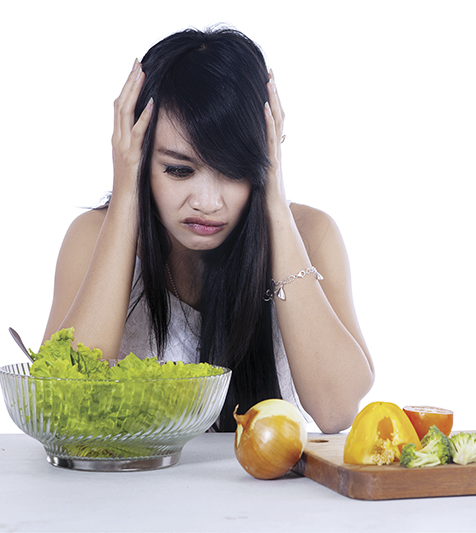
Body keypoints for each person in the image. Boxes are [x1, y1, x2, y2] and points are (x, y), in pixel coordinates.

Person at [43, 27, 374, 433]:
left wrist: (274, 203)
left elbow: (336, 409)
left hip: (263, 494)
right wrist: (127, 190)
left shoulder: (310, 233)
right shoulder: (93, 237)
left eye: (233, 172)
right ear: (139, 153)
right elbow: (65, 408)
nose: (206, 202)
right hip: (129, 494)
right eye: (179, 170)